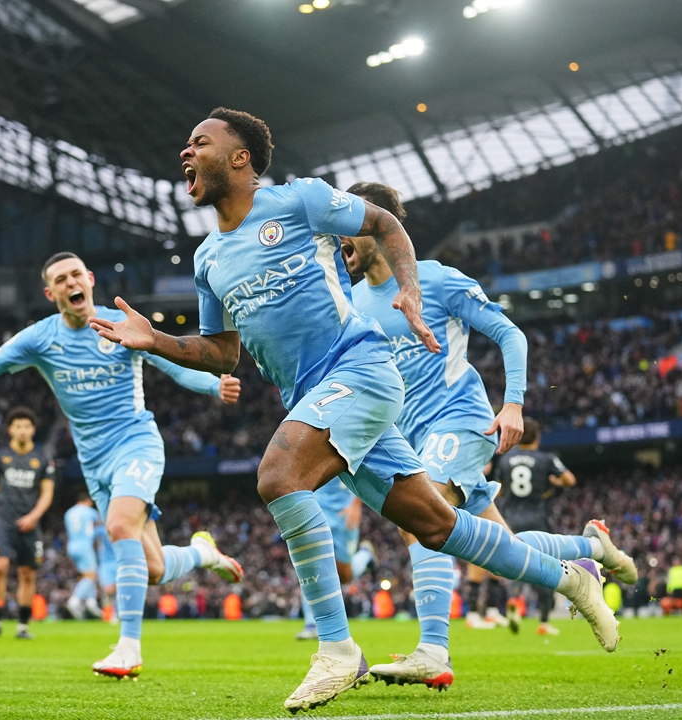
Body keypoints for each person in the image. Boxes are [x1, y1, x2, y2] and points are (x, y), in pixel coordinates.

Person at [89, 107, 620, 712]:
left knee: (279, 476)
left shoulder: (298, 202)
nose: (186, 152)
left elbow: (386, 223)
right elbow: (221, 352)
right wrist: (154, 339)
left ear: (240, 158)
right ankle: (571, 577)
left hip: (360, 372)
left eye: (199, 142)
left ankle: (337, 650)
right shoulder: (208, 259)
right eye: (185, 144)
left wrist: (410, 295)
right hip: (317, 398)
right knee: (435, 526)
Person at [0, 252, 245, 676]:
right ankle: (203, 553)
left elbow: (173, 366)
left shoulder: (120, 323)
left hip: (136, 444)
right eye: (60, 279)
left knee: (121, 526)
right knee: (155, 569)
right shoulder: (40, 338)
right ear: (51, 293)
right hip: (94, 462)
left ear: (89, 279)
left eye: (76, 274)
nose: (71, 282)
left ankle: (128, 648)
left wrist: (213, 385)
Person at [339, 181, 637, 688]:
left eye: (348, 224)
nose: (338, 234)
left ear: (376, 225)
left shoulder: (434, 280)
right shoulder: (350, 302)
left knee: (421, 515)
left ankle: (433, 650)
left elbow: (509, 333)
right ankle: (589, 550)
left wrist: (514, 403)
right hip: (412, 437)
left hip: (460, 418)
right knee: (499, 549)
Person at [494, 418, 611, 634]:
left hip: (511, 518)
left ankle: (513, 598)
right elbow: (569, 479)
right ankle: (544, 622)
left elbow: (499, 490)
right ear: (537, 437)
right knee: (545, 564)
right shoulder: (546, 459)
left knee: (515, 563)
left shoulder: (505, 461)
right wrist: (552, 483)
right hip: (537, 518)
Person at [0, 407, 55, 640]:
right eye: (18, 426)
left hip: (30, 523)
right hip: (3, 521)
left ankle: (23, 625)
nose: (22, 431)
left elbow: (47, 493)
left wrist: (34, 516)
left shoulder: (43, 458)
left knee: (27, 574)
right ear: (11, 429)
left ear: (32, 430)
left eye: (26, 427)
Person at [295, 478, 374, 641]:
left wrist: (356, 504)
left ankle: (366, 555)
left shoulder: (350, 450)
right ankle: (311, 624)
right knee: (311, 565)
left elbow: (363, 471)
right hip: (317, 508)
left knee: (345, 577)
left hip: (344, 513)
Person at [65, 488, 103, 619]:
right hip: (84, 546)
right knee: (91, 575)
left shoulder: (68, 513)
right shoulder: (89, 511)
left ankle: (91, 602)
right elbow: (101, 521)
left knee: (86, 575)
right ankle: (74, 601)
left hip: (71, 545)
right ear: (86, 501)